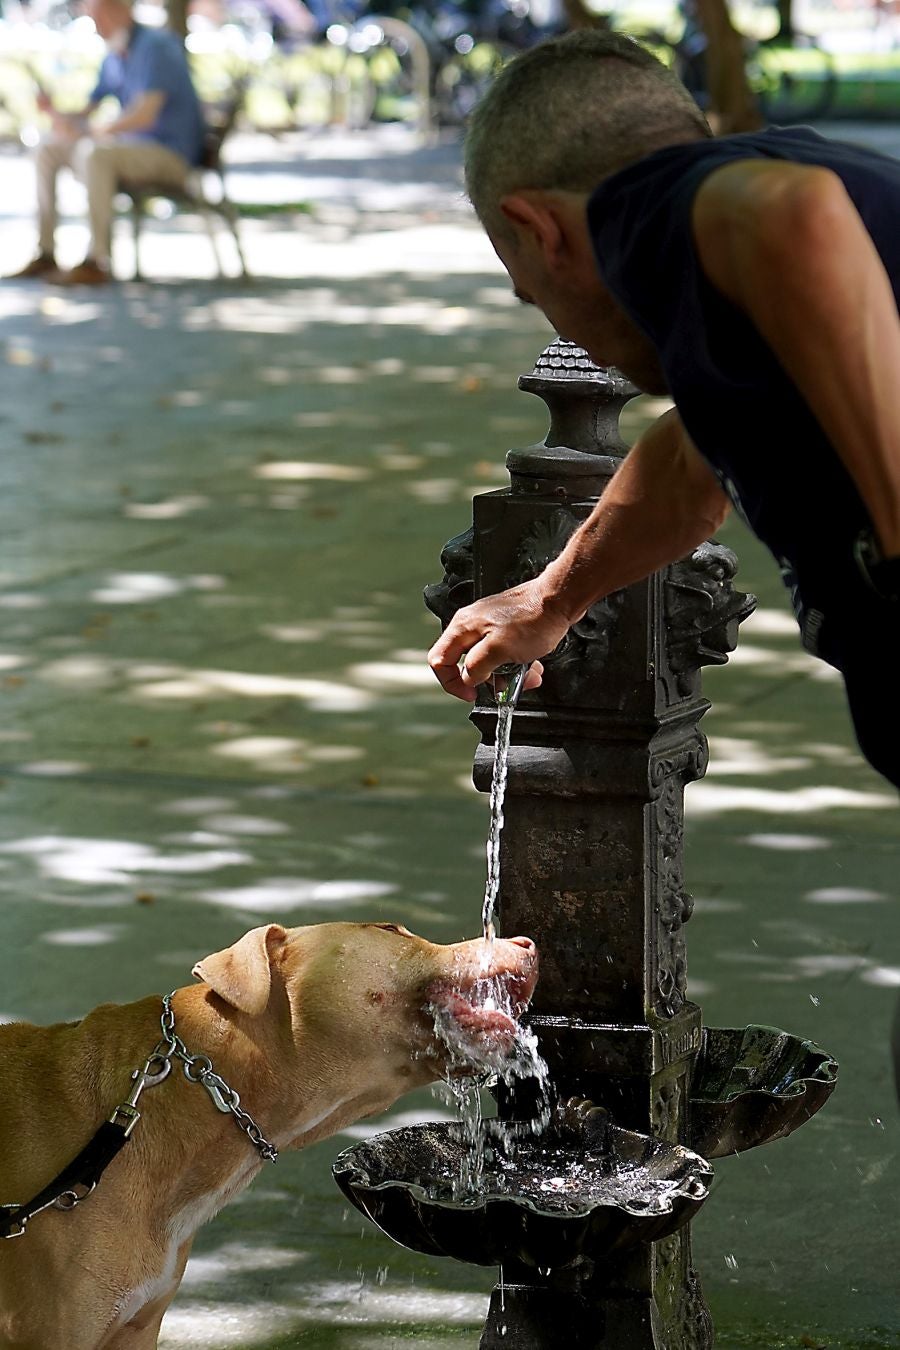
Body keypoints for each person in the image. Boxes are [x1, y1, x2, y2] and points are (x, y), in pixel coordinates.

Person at [427, 30, 900, 797]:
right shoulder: (775, 229)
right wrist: (551, 599)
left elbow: (793, 217)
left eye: (534, 295)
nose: (565, 334)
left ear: (542, 231)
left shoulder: (641, 204)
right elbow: (691, 461)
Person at [10, 0, 205, 286]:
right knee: (47, 149)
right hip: (128, 149)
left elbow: (144, 115)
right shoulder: (114, 53)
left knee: (95, 153)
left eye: (100, 16)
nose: (97, 26)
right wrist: (57, 113)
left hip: (169, 153)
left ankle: (96, 260)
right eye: (92, 18)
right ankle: (45, 253)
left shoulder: (157, 46)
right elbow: (88, 111)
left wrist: (91, 131)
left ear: (122, 10)